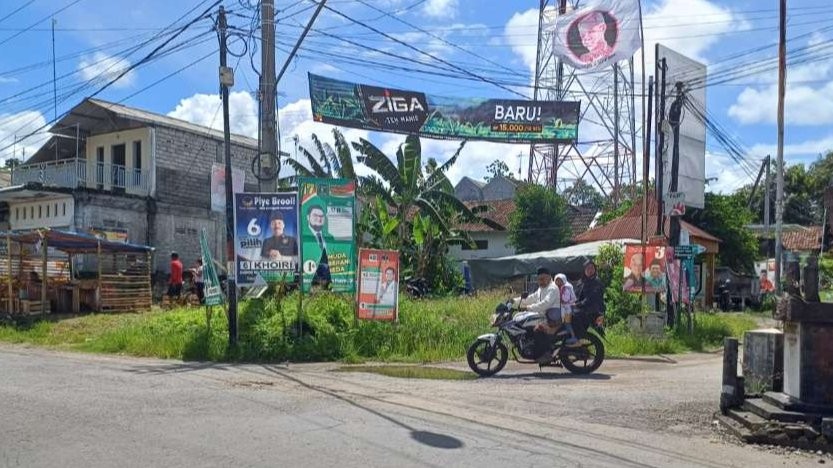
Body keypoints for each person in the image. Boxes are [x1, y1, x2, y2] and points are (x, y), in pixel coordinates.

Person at [512, 267, 560, 364]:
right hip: (542, 314)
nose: (540, 281)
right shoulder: (541, 288)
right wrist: (513, 301)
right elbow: (531, 298)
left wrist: (528, 308)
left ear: (549, 277)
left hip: (550, 318)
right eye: (538, 279)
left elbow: (545, 303)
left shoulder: (552, 288)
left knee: (537, 329)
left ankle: (545, 354)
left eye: (542, 279)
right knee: (518, 317)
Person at [305, 204, 333, 288]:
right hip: (310, 277)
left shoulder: (329, 237)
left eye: (321, 216)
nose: (319, 218)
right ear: (308, 217)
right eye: (315, 215)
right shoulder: (304, 236)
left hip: (328, 277)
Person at [555, 274, 578, 346]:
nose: (558, 282)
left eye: (560, 280)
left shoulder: (566, 288)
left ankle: (572, 337)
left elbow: (565, 299)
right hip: (562, 308)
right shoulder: (559, 288)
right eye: (557, 280)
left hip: (566, 309)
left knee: (567, 324)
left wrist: (559, 299)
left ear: (563, 280)